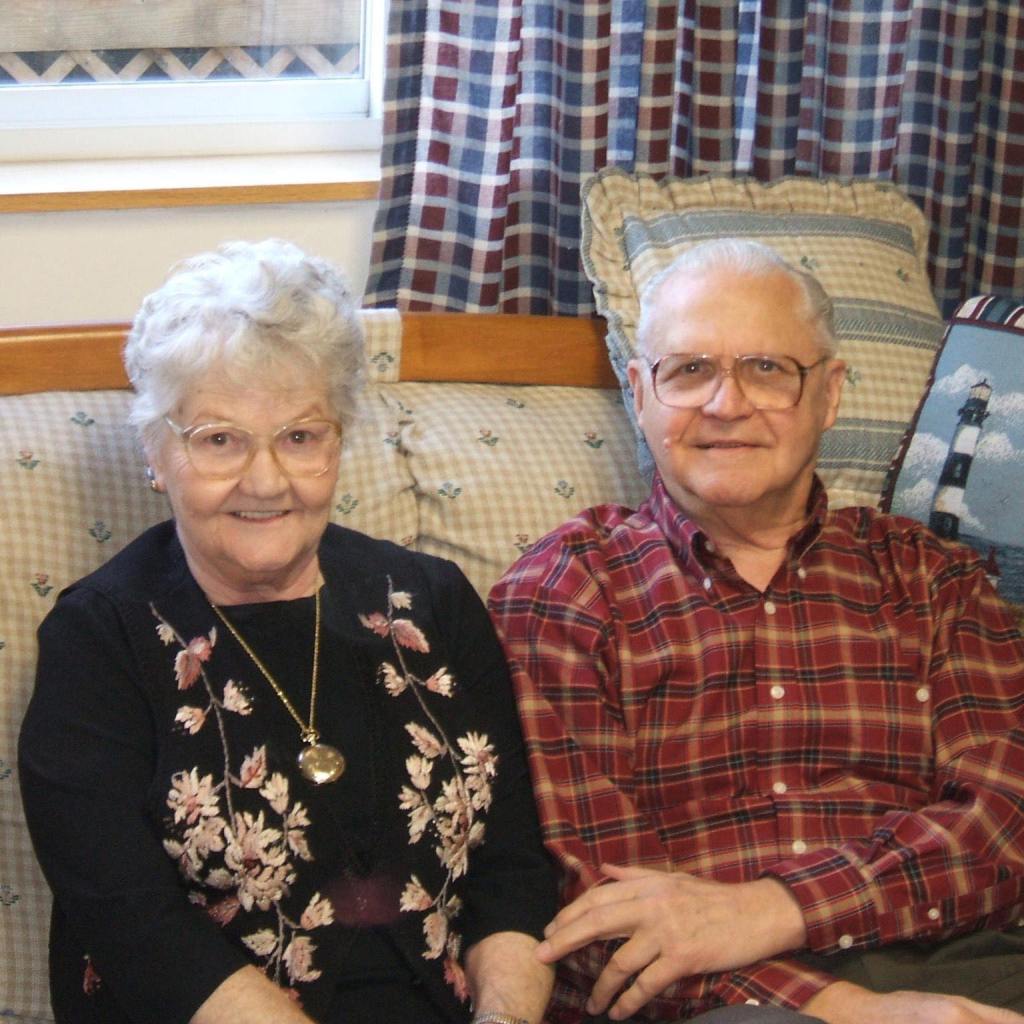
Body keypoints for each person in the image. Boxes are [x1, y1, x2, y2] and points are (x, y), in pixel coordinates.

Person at [19, 239, 556, 1024]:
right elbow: (134, 926)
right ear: (156, 454)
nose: (266, 480)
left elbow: (512, 872)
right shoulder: (100, 641)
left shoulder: (433, 602)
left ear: (339, 440)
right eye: (220, 439)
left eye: (300, 436)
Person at [488, 239, 1024, 1024]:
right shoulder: (567, 591)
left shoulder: (932, 580)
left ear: (830, 394)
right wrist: (857, 1011)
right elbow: (594, 913)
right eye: (689, 370)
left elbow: (1006, 822)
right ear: (640, 393)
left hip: (968, 961)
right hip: (720, 1002)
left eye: (768, 369)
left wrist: (782, 906)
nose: (726, 403)